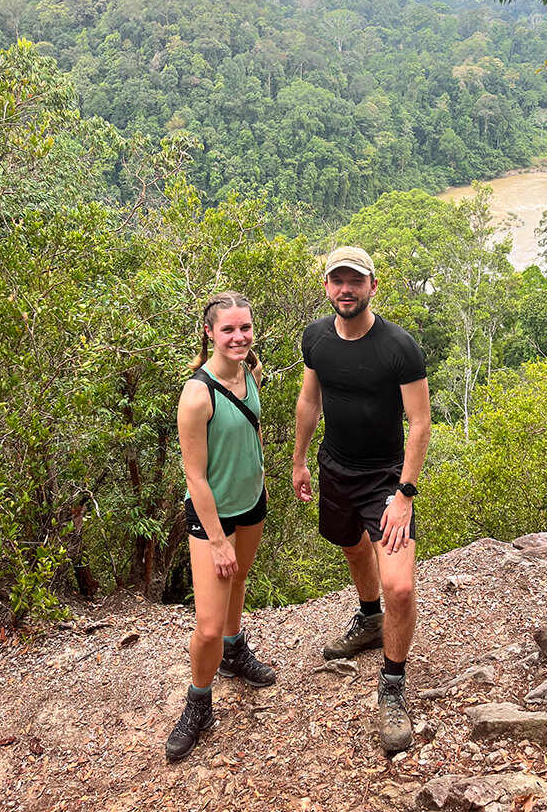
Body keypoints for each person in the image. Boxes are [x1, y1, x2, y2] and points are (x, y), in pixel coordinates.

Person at [292, 247, 431, 752]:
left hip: (385, 479)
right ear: (327, 286)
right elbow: (311, 399)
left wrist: (405, 494)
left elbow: (420, 422)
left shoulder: (399, 347)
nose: (345, 289)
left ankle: (392, 687)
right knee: (349, 543)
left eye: (355, 280)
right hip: (334, 467)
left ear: (373, 285)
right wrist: (300, 460)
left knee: (401, 587)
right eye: (337, 281)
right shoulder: (316, 338)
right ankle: (369, 619)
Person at [165, 291, 275, 763]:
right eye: (228, 329)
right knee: (206, 626)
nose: (239, 336)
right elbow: (195, 476)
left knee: (240, 581)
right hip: (213, 517)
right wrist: (216, 540)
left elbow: (250, 433)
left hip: (252, 501)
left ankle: (234, 651)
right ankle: (198, 702)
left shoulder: (249, 374)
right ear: (209, 331)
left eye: (245, 328)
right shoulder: (197, 394)